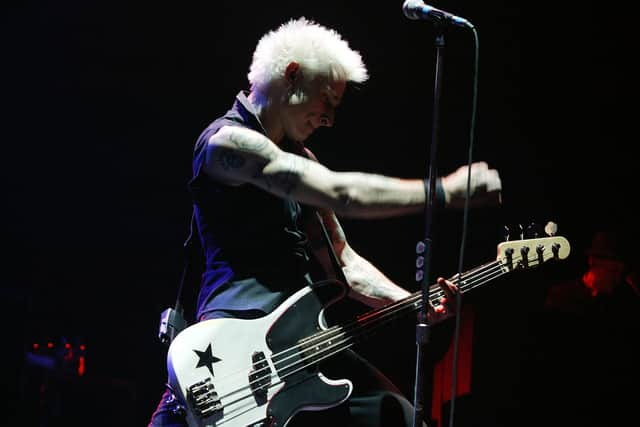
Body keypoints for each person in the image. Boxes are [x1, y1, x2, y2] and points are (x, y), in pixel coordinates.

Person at [149, 17, 502, 427]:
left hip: (301, 344)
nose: (330, 119)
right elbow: (341, 193)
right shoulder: (226, 143)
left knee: (399, 418)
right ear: (292, 74)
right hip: (235, 351)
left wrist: (414, 301)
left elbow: (344, 262)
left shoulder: (302, 158)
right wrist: (443, 192)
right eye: (326, 101)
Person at [521, 230, 640, 427]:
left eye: (620, 273)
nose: (617, 279)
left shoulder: (616, 306)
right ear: (593, 264)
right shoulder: (560, 298)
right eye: (614, 272)